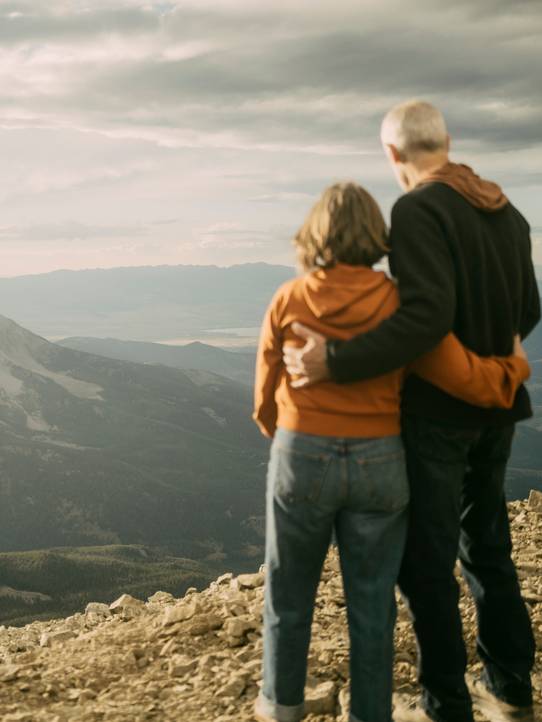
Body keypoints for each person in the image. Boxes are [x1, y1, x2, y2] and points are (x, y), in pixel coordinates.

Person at [282, 101, 540, 722]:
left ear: (393, 156)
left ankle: (445, 703)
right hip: (496, 408)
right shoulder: (508, 210)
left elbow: (425, 317)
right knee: (487, 550)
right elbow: (530, 307)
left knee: (426, 564)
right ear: (446, 141)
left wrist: (334, 362)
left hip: (438, 419)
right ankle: (509, 690)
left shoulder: (418, 208)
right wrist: (493, 360)